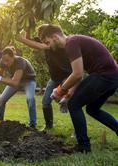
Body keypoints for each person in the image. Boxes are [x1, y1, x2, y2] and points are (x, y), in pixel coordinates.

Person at [41, 24, 118, 152]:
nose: (48, 46)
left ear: (55, 37)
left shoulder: (71, 43)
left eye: (47, 42)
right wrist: (67, 95)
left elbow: (77, 74)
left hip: (104, 76)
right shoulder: (73, 42)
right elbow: (78, 76)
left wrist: (60, 90)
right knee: (92, 109)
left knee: (74, 105)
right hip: (112, 77)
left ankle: (83, 146)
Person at [16, 25, 72, 131]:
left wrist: (20, 39)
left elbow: (39, 46)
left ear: (47, 36)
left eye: (42, 38)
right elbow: (29, 40)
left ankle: (76, 129)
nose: (41, 40)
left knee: (70, 103)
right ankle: (49, 125)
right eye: (39, 38)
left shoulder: (51, 43)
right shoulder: (44, 41)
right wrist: (28, 24)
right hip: (54, 78)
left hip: (67, 77)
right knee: (46, 102)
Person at [0, 47, 37, 129]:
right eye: (3, 60)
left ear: (13, 56)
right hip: (15, 80)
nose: (5, 63)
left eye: (7, 60)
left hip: (28, 81)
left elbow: (15, 83)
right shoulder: (3, 61)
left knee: (30, 99)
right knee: (2, 99)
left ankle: (32, 125)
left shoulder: (20, 62)